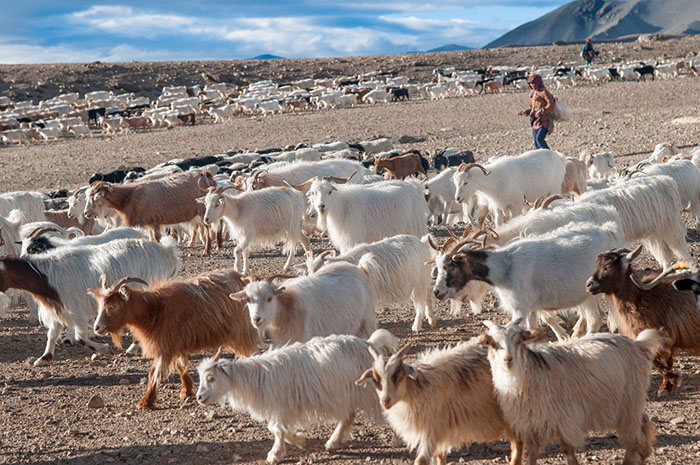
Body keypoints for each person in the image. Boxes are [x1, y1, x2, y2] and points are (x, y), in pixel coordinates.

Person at [518, 74, 555, 150]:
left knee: (539, 139)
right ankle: (541, 158)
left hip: (544, 120)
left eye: (534, 83)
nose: (532, 85)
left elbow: (551, 105)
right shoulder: (534, 93)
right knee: (536, 142)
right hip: (535, 121)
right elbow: (532, 107)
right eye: (531, 84)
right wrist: (526, 111)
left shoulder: (544, 92)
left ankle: (550, 156)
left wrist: (542, 111)